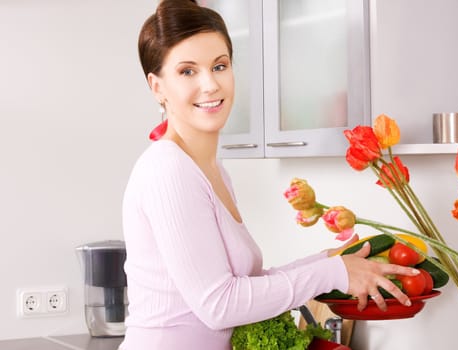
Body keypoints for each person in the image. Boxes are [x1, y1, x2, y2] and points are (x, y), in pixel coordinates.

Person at [120, 1, 420, 349]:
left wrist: (330, 262)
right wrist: (332, 273)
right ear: (157, 87)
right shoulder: (167, 170)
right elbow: (219, 304)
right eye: (188, 71)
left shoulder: (212, 170)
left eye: (220, 66)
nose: (210, 85)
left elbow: (247, 285)